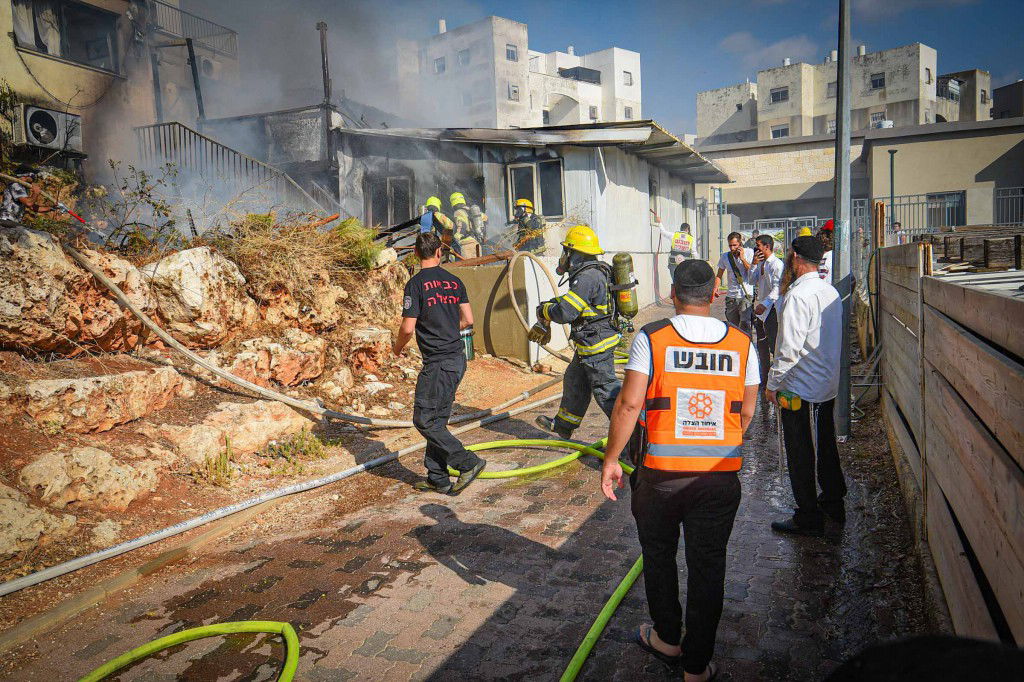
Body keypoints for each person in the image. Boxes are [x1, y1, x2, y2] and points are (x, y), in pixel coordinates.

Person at [600, 260, 759, 682]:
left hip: (660, 476)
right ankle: (695, 667)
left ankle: (668, 638)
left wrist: (612, 459)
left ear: (673, 294)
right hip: (718, 476)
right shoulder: (743, 344)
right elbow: (746, 413)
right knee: (708, 566)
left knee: (658, 556)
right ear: (715, 294)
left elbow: (630, 405)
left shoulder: (652, 338)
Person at [394, 232, 486, 495]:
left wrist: (397, 348)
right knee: (437, 420)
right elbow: (468, 320)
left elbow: (408, 327)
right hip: (457, 359)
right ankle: (438, 477)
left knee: (425, 420)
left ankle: (468, 462)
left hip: (437, 364)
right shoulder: (454, 281)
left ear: (415, 253)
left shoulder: (415, 285)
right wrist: (448, 327)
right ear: (439, 253)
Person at [767, 236, 846, 537]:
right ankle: (833, 502)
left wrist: (772, 384)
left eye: (789, 256)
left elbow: (789, 349)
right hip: (825, 384)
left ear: (797, 259)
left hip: (802, 388)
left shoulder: (799, 296)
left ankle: (809, 516)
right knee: (825, 445)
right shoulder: (829, 291)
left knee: (802, 453)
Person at [533, 225, 621, 438]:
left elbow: (566, 312)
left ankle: (633, 439)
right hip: (590, 341)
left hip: (595, 344)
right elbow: (579, 304)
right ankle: (564, 426)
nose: (564, 256)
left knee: (606, 392)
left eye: (567, 251)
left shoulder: (588, 276)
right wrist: (553, 304)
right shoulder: (595, 272)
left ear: (575, 253)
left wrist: (545, 309)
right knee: (575, 380)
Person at [745, 234, 784, 389]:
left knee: (774, 345)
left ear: (767, 247)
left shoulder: (776, 264)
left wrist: (765, 304)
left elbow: (777, 289)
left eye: (759, 246)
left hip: (772, 310)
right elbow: (751, 281)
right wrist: (754, 264)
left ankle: (777, 380)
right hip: (762, 310)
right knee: (761, 344)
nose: (757, 249)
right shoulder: (762, 263)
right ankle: (765, 377)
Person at [714, 231, 755, 332]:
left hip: (746, 295)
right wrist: (715, 288)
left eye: (735, 245)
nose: (732, 248)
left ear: (740, 243)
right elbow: (719, 274)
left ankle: (747, 345)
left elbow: (752, 272)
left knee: (745, 324)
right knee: (733, 327)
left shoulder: (749, 252)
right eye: (730, 245)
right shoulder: (725, 256)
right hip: (731, 296)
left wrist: (743, 259)